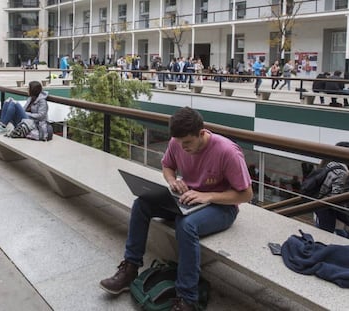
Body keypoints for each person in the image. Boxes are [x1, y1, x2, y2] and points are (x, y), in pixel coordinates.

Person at [99, 107, 253, 311]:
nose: (182, 147)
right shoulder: (177, 142)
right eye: (179, 143)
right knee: (141, 204)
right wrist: (172, 181)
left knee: (186, 224)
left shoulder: (227, 151)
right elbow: (167, 166)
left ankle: (188, 298)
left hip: (222, 207)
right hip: (187, 199)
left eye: (187, 143)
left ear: (201, 132)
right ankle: (130, 269)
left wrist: (208, 196)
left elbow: (246, 194)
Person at [314, 141, 349, 238]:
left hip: (320, 203)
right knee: (327, 234)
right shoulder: (342, 172)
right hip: (327, 207)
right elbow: (335, 197)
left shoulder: (330, 164)